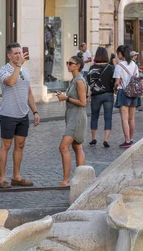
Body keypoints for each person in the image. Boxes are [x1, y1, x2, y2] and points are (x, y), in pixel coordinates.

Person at [0, 43, 40, 188]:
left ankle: (16, 176)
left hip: (23, 114)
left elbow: (28, 92)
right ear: (9, 55)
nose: (18, 55)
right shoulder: (3, 70)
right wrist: (18, 66)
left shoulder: (25, 71)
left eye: (19, 53)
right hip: (8, 114)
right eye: (15, 53)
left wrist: (35, 111)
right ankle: (2, 178)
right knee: (6, 145)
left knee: (20, 145)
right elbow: (11, 82)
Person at [55, 56, 87, 187]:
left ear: (78, 65)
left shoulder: (79, 81)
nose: (68, 65)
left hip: (77, 118)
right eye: (67, 63)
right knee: (77, 146)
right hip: (72, 116)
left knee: (63, 147)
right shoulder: (73, 80)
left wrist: (66, 98)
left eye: (71, 63)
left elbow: (83, 102)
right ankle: (81, 179)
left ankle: (66, 180)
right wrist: (64, 95)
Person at [113, 45, 141, 149]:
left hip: (123, 92)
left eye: (118, 53)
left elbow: (117, 82)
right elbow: (137, 78)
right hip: (134, 92)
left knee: (124, 119)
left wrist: (114, 88)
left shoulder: (119, 66)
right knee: (131, 118)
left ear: (121, 53)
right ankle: (131, 138)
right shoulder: (134, 64)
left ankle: (127, 140)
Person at [87, 47, 115, 147]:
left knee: (94, 116)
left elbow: (89, 82)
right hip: (108, 94)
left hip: (96, 95)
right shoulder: (111, 67)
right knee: (108, 117)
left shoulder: (92, 68)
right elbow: (115, 81)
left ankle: (93, 138)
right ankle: (106, 139)